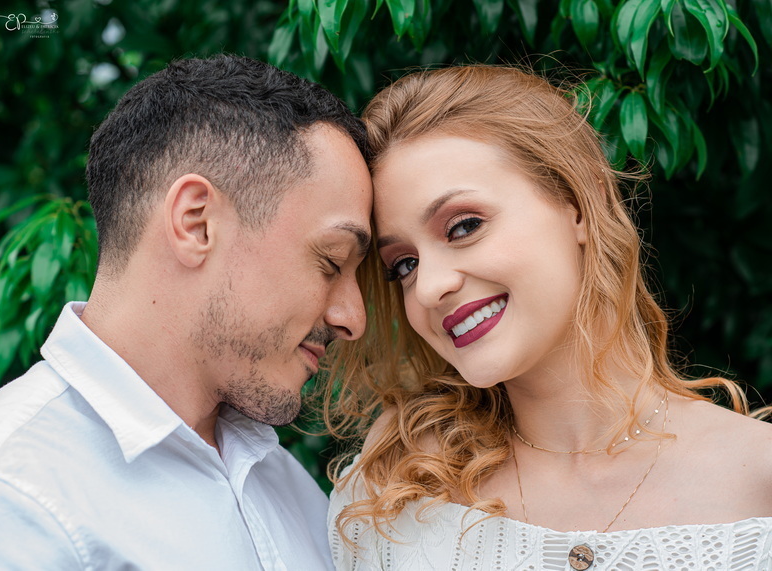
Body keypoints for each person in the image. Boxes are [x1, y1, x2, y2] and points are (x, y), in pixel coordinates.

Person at [324, 65, 772, 570]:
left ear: (579, 203)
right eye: (404, 265)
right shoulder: (393, 491)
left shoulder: (759, 480)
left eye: (464, 226)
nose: (428, 288)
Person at [0, 54, 372, 569]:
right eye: (331, 261)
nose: (352, 318)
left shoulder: (289, 487)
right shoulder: (7, 498)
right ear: (196, 222)